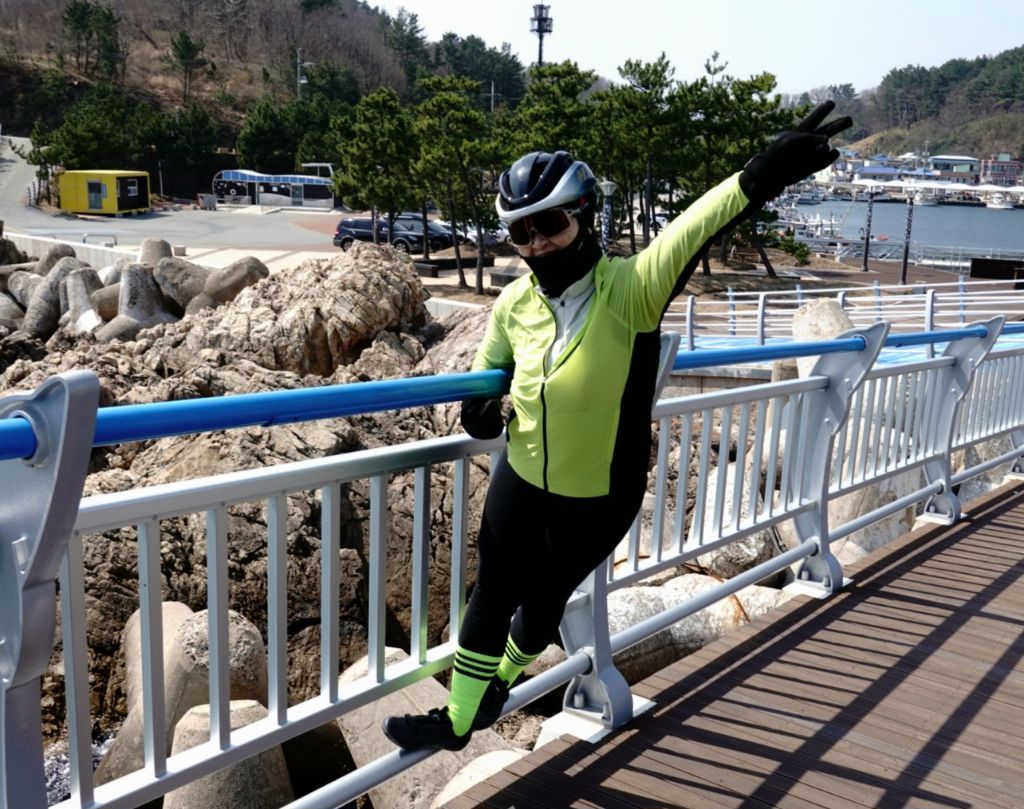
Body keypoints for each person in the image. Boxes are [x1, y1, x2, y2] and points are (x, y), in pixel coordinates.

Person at [383, 101, 851, 751]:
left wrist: (764, 172)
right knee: (489, 595)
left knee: (542, 609)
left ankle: (501, 681)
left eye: (550, 224)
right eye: (521, 232)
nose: (537, 243)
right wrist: (483, 405)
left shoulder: (631, 291)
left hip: (598, 495)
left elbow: (696, 226)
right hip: (522, 473)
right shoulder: (514, 303)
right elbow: (485, 380)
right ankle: (459, 719)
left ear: (583, 216)